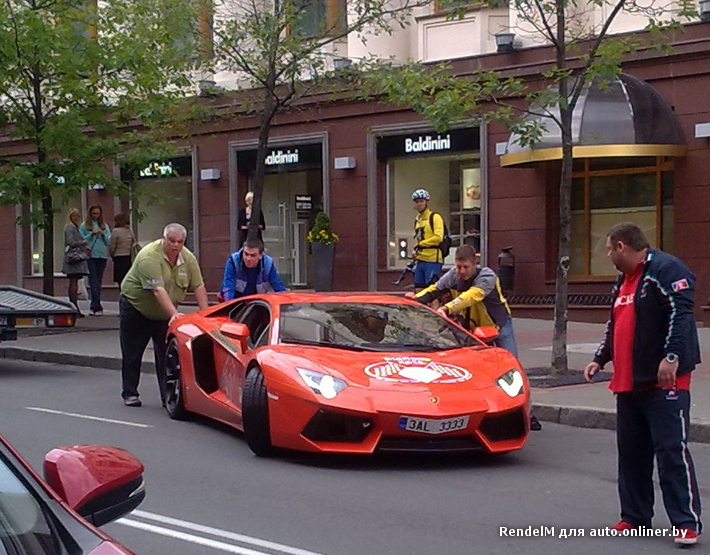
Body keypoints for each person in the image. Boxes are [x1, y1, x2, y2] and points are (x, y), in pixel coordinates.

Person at [584, 222, 702, 546]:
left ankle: (686, 523)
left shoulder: (666, 270)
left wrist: (673, 356)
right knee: (632, 452)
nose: (608, 255)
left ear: (622, 246)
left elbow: (682, 313)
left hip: (663, 381)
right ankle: (635, 517)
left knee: (670, 451)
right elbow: (616, 322)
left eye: (609, 249)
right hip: (628, 381)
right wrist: (601, 357)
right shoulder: (623, 280)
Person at [119, 223, 209, 407]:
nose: (176, 245)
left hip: (164, 314)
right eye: (172, 241)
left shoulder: (188, 258)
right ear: (164, 238)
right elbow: (157, 291)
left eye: (180, 242)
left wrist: (205, 314)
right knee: (132, 352)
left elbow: (199, 286)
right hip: (136, 309)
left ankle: (167, 397)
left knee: (166, 356)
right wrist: (174, 314)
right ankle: (130, 393)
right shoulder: (149, 257)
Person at [406, 244, 518, 357]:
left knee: (509, 358)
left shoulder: (487, 276)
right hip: (471, 329)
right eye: (459, 267)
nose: (462, 271)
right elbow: (435, 289)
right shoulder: (453, 275)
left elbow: (471, 296)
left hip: (498, 325)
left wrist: (446, 309)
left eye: (466, 267)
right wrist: (415, 300)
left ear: (475, 264)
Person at [220, 237, 287, 301]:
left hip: (256, 300)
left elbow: (278, 286)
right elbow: (228, 286)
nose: (248, 258)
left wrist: (287, 301)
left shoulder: (268, 264)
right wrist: (229, 305)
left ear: (260, 255)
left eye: (253, 255)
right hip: (235, 298)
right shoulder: (233, 261)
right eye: (246, 254)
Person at [79, 204, 111, 316]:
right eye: (94, 214)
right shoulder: (84, 226)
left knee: (99, 281)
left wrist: (102, 234)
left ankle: (95, 305)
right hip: (90, 255)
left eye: (98, 214)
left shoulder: (104, 226)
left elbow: (108, 241)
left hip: (102, 255)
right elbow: (82, 240)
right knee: (93, 280)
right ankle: (96, 306)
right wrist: (91, 234)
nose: (96, 216)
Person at [410, 189, 444, 290]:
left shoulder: (434, 217)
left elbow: (438, 237)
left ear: (426, 202)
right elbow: (419, 238)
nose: (419, 204)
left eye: (421, 201)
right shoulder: (417, 220)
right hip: (420, 259)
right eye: (417, 202)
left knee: (432, 291)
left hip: (433, 259)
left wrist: (421, 244)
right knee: (419, 290)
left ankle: (435, 305)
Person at [61, 208, 89, 317]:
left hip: (75, 259)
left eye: (78, 216)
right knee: (73, 282)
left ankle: (75, 307)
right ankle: (74, 307)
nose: (77, 218)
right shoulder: (70, 227)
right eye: (74, 216)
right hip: (73, 259)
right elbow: (70, 242)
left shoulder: (76, 227)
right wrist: (82, 242)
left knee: (75, 282)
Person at [108, 213, 136, 286]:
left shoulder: (116, 231)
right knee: (127, 278)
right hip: (128, 257)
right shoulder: (130, 231)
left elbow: (112, 246)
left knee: (120, 279)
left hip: (118, 257)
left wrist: (112, 254)